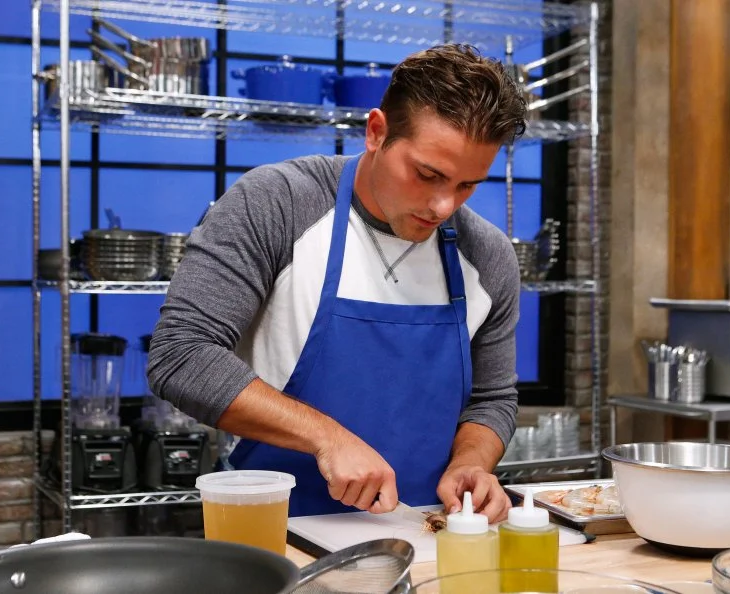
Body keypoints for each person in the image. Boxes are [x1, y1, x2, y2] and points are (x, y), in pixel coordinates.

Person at [147, 43, 527, 522]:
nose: (443, 207)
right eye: (428, 174)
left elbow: (492, 398)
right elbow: (181, 354)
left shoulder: (486, 254)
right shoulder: (278, 204)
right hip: (278, 530)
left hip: (430, 534)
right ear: (376, 132)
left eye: (467, 185)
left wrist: (471, 462)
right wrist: (328, 437)